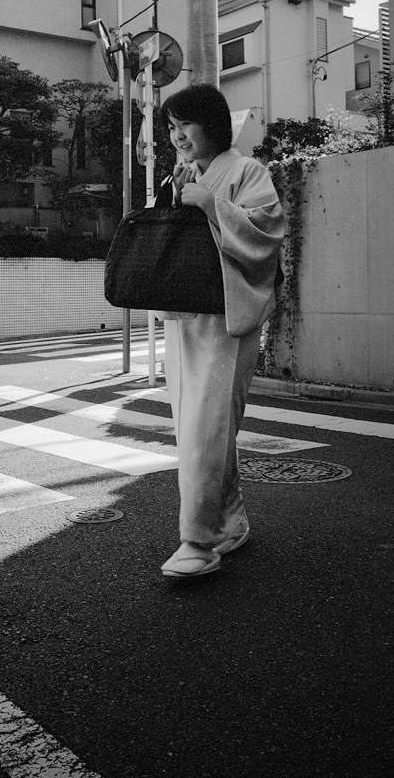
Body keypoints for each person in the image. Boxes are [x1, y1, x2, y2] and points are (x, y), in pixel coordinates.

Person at [155, 84, 285, 579]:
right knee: (197, 427)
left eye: (184, 123)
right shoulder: (182, 174)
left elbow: (267, 230)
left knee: (205, 430)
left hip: (226, 319)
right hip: (184, 316)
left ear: (212, 123)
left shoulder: (248, 170)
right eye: (170, 127)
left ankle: (199, 540)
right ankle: (228, 522)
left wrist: (211, 205)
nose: (176, 135)